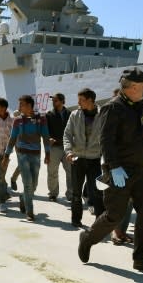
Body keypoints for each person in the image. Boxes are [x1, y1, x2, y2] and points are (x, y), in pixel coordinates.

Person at [77, 68, 143, 274]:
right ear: (132, 87)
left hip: (141, 171)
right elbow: (106, 140)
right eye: (142, 86)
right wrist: (114, 167)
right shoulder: (112, 108)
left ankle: (141, 258)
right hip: (120, 171)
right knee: (114, 215)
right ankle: (87, 238)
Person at [4, 95, 50, 221]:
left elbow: (45, 136)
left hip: (36, 154)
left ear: (29, 106)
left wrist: (48, 153)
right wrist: (6, 155)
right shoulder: (17, 120)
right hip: (22, 155)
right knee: (28, 183)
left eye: (21, 104)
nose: (19, 107)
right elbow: (12, 138)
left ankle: (23, 198)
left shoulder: (41, 119)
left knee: (34, 185)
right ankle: (30, 212)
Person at [63, 88, 105, 227]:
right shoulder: (75, 115)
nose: (78, 102)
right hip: (77, 159)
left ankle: (100, 222)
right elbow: (67, 134)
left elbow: (108, 138)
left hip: (95, 159)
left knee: (98, 192)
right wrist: (69, 151)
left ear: (90, 100)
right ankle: (76, 220)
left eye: (81, 100)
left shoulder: (103, 115)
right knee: (76, 192)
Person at [46, 93, 72, 202]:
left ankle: (70, 194)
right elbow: (45, 130)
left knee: (70, 172)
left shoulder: (70, 114)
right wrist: (49, 139)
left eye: (56, 101)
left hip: (68, 148)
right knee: (52, 172)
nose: (54, 103)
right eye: (53, 101)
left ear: (62, 101)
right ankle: (53, 193)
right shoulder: (49, 115)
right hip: (54, 148)